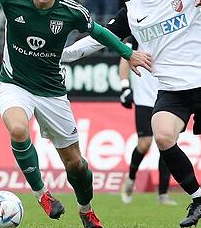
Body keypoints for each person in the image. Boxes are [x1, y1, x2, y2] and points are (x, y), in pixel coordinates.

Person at [0, 0, 152, 228]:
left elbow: (99, 32)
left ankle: (86, 210)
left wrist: (128, 53)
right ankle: (42, 195)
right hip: (14, 84)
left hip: (52, 92)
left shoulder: (72, 11)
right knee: (18, 130)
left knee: (75, 163)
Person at [75, 0, 201, 228]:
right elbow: (98, 38)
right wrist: (60, 54)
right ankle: (199, 200)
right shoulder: (132, 9)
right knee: (162, 136)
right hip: (172, 90)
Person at [61, 39, 175, 206]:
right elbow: (124, 59)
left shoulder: (169, 36)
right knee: (144, 144)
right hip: (144, 98)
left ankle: (163, 194)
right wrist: (125, 86)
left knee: (167, 144)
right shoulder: (138, 32)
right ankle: (130, 178)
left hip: (167, 97)